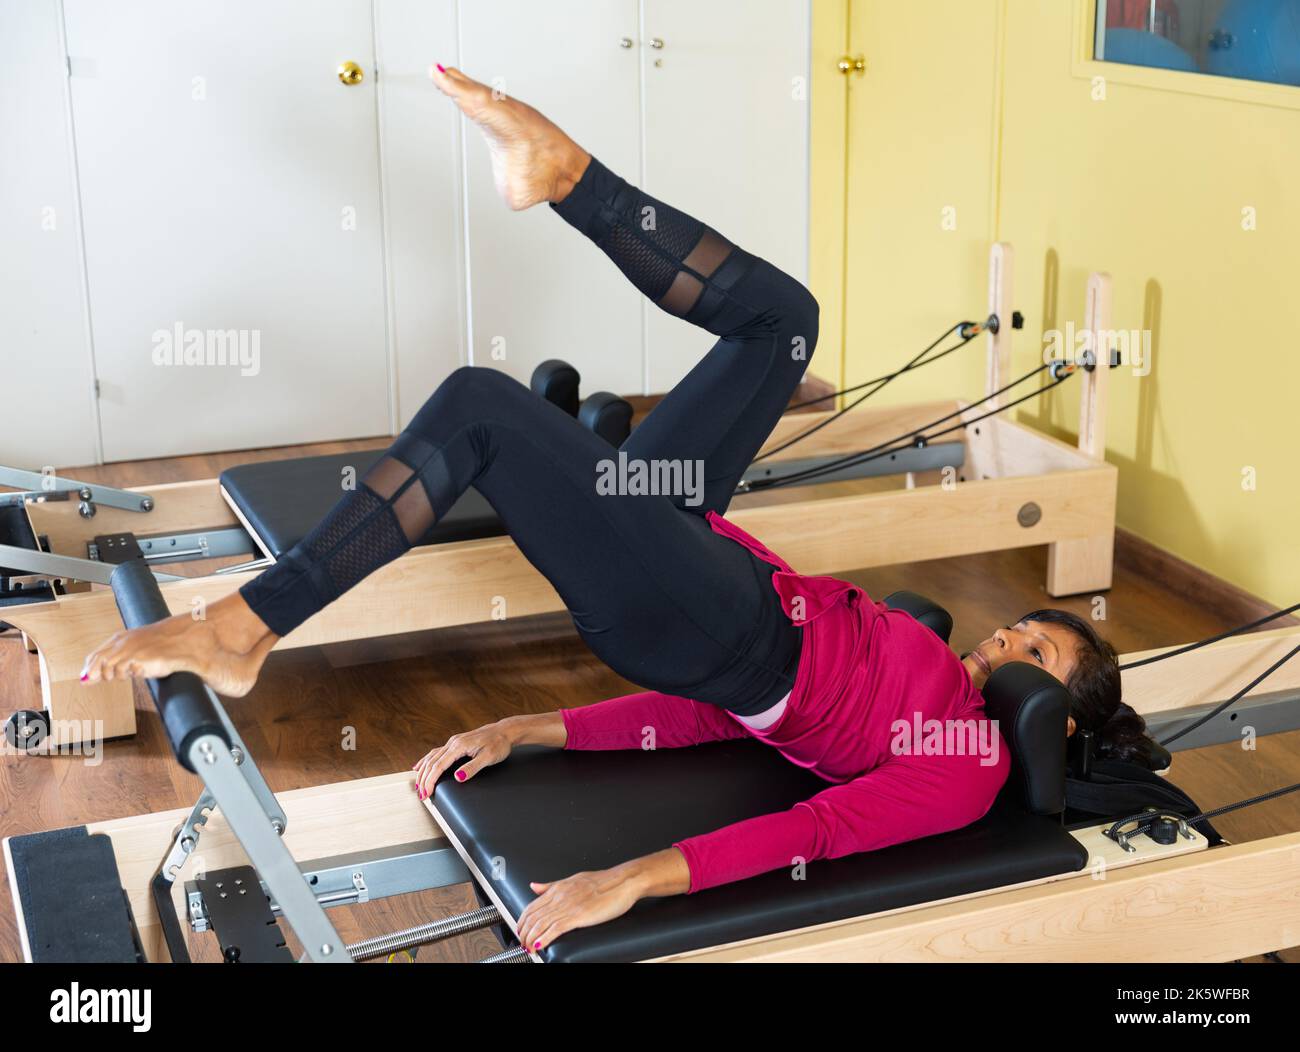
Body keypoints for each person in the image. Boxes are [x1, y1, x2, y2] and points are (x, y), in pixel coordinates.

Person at [81, 66, 1147, 953]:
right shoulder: (921, 652)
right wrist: (528, 725)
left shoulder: (968, 757)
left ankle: (242, 627)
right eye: (1022, 624)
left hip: (708, 618)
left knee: (478, 409)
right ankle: (567, 175)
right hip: (708, 564)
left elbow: (816, 827)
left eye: (1034, 655)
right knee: (782, 321)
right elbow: (709, 717)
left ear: (1052, 710)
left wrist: (635, 876)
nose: (1005, 636)